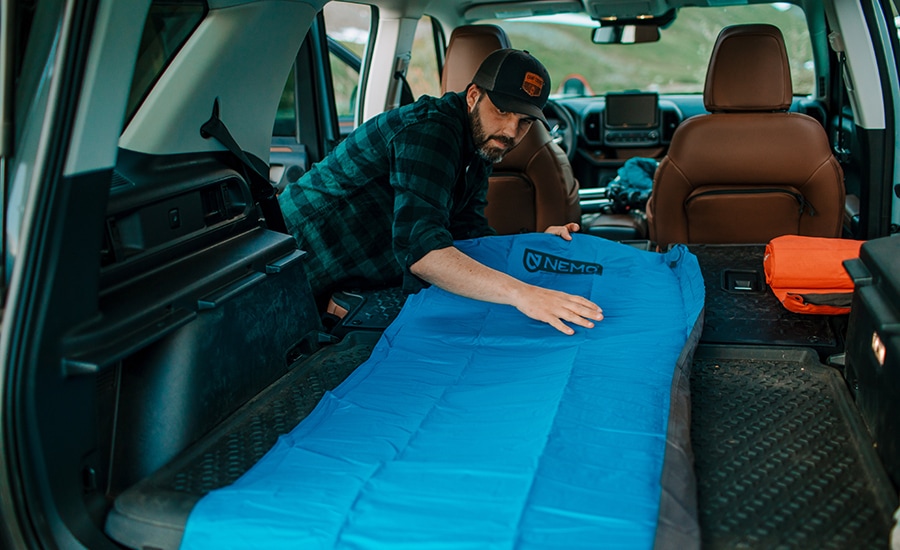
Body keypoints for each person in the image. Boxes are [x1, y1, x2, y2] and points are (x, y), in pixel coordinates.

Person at [278, 48, 603, 335]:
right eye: (502, 111)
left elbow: (469, 234)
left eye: (524, 122)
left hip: (352, 276)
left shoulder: (480, 144)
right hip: (290, 271)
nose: (510, 132)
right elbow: (423, 252)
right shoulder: (430, 132)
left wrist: (534, 244)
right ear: (474, 96)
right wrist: (522, 294)